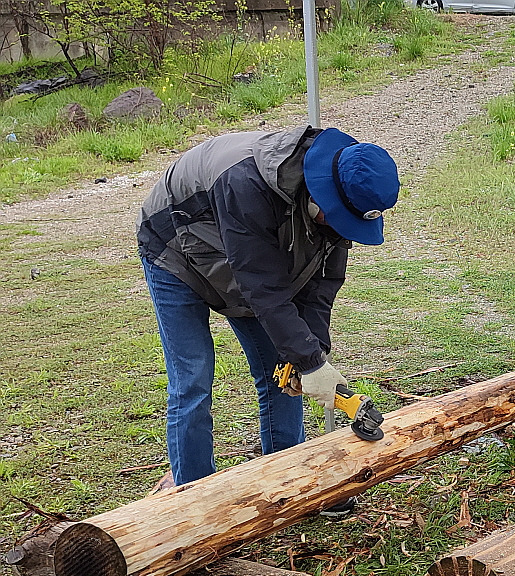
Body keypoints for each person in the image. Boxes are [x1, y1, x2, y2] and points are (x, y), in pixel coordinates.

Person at [137, 125, 400, 517]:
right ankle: (194, 504)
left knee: (284, 368)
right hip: (175, 251)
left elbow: (321, 285)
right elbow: (263, 287)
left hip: (241, 264)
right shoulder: (246, 182)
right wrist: (308, 360)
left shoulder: (339, 202)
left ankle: (289, 481)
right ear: (322, 191)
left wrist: (312, 355)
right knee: (193, 380)